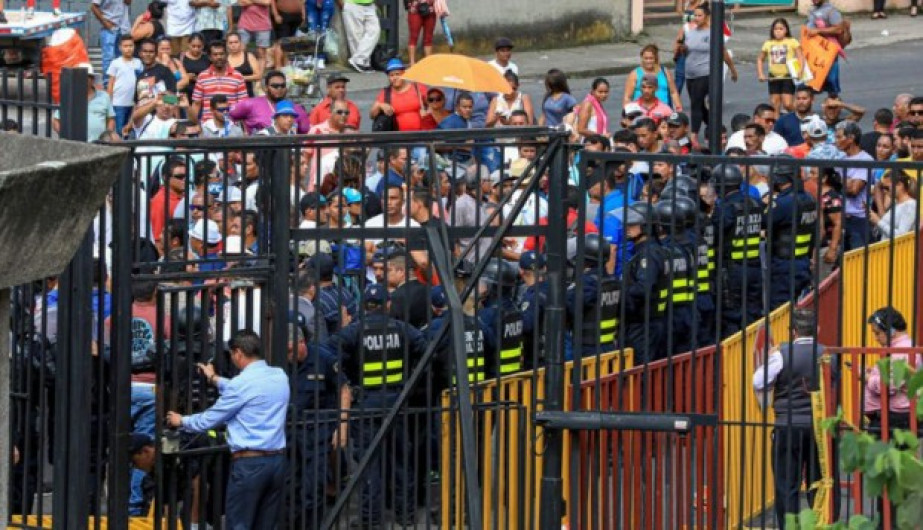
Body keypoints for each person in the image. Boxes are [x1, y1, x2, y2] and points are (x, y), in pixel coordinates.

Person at [320, 283, 427, 528]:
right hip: (397, 403)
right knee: (401, 462)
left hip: (366, 405)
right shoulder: (402, 329)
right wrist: (411, 378)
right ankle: (406, 515)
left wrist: (343, 372)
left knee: (369, 465)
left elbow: (327, 351)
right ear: (387, 304)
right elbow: (425, 347)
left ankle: (371, 520)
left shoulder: (355, 331)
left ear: (364, 307)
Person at [166, 329, 290, 530]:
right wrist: (215, 379)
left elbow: (209, 420)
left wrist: (182, 420)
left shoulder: (241, 385)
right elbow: (247, 390)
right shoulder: (279, 376)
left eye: (232, 355)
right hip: (276, 461)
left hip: (250, 464)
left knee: (239, 525)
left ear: (238, 353)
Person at [752, 308, 823, 529]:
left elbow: (758, 382)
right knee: (818, 483)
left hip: (787, 425)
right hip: (817, 427)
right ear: (817, 330)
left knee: (786, 484)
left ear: (793, 331)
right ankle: (820, 523)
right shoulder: (827, 352)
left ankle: (788, 526)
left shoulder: (781, 354)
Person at [287, 320, 350, 528]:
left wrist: (341, 427)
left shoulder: (323, 358)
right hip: (288, 431)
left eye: (290, 350)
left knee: (312, 487)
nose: (288, 356)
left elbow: (344, 389)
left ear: (301, 342)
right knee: (290, 486)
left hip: (317, 431)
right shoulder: (279, 360)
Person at [712, 163, 764, 337]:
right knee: (752, 314)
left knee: (732, 317)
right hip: (755, 267)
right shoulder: (755, 202)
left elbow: (715, 235)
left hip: (733, 270)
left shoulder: (725, 208)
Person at [679, 4, 738, 142]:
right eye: (695, 15)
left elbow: (723, 52)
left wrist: (733, 70)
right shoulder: (690, 32)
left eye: (700, 15)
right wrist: (682, 49)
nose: (697, 18)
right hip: (690, 73)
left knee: (696, 103)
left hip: (705, 72)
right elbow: (687, 51)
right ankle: (716, 128)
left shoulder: (712, 33)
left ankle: (693, 136)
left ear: (707, 17)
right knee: (700, 106)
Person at [765, 157, 817, 310]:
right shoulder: (808, 199)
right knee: (799, 308)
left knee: (780, 309)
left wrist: (766, 203)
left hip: (784, 266)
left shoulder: (784, 203)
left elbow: (763, 221)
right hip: (803, 262)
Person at [620, 203, 666, 363]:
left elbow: (644, 287)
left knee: (642, 373)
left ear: (646, 226)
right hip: (645, 322)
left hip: (644, 324)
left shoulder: (649, 253)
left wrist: (622, 293)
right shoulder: (646, 250)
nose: (627, 226)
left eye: (632, 223)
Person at [565, 233, 618, 359]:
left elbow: (568, 306)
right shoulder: (612, 281)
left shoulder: (588, 283)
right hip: (610, 346)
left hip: (589, 349)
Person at [229, 70, 311, 133]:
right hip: (259, 151)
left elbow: (307, 132)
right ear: (266, 88)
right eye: (275, 86)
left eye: (282, 86)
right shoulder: (250, 104)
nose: (279, 89)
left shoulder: (297, 109)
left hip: (288, 152)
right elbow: (227, 116)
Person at [835, 121, 874, 250]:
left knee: (859, 262)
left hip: (859, 220)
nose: (836, 141)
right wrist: (846, 180)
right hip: (841, 217)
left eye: (839, 137)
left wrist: (839, 179)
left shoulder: (865, 160)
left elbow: (853, 190)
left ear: (851, 138)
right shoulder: (840, 159)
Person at [52, 63, 115, 142]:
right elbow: (56, 121)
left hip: (99, 144)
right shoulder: (70, 96)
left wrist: (108, 136)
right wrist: (65, 137)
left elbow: (111, 119)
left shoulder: (104, 96)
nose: (82, 79)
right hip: (75, 144)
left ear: (92, 80)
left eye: (86, 77)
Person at [189, 39, 247, 124]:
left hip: (232, 125)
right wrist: (194, 125)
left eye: (221, 54)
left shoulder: (238, 76)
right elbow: (196, 104)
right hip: (208, 126)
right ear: (210, 57)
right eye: (215, 54)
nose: (219, 57)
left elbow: (243, 105)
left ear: (226, 55)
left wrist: (244, 129)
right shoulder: (202, 77)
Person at [757, 18, 804, 113]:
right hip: (773, 77)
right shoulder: (768, 43)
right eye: (776, 29)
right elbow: (760, 59)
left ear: (786, 30)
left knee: (788, 104)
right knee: (775, 104)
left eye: (781, 29)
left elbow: (801, 57)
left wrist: (800, 70)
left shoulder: (792, 41)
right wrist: (761, 74)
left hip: (788, 76)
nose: (778, 31)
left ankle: (800, 115)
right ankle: (777, 125)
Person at [370, 58, 426, 132]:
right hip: (397, 139)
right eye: (391, 75)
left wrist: (427, 112)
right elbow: (372, 115)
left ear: (404, 73)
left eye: (397, 74)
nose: (395, 78)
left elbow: (435, 105)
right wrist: (380, 106)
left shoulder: (418, 88)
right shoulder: (386, 93)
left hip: (421, 136)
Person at [623, 44, 682, 111]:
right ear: (642, 58)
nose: (648, 61)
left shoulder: (665, 72)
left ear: (655, 59)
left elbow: (673, 92)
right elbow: (627, 97)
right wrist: (627, 113)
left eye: (651, 58)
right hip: (641, 113)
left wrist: (679, 108)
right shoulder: (635, 74)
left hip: (663, 112)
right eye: (646, 58)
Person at [805, 0, 845, 97]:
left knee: (832, 81)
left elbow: (839, 29)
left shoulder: (831, 11)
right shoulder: (812, 10)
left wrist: (818, 31)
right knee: (811, 83)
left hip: (828, 51)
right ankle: (807, 109)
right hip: (814, 50)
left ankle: (834, 104)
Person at [107, 36, 142, 134]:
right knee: (120, 130)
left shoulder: (138, 63)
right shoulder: (115, 63)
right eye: (125, 46)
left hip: (134, 104)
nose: (128, 48)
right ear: (120, 48)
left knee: (133, 130)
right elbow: (111, 83)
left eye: (131, 45)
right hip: (118, 103)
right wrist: (109, 102)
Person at [91, 0, 131, 86]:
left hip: (123, 27)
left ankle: (122, 83)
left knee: (123, 56)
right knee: (108, 58)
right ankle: (107, 85)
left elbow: (128, 2)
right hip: (109, 29)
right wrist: (105, 23)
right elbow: (94, 7)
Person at [870, 170, 917, 239]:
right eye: (883, 188)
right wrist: (874, 220)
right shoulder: (896, 203)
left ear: (899, 185)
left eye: (886, 187)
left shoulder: (910, 205)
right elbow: (885, 230)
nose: (884, 191)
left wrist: (878, 221)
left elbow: (901, 236)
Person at [343, 0, 380, 73]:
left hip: (369, 5)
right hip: (352, 4)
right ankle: (363, 63)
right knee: (356, 36)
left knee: (375, 31)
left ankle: (358, 60)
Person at [236, 0, 272, 65]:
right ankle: (241, 70)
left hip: (263, 24)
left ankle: (260, 74)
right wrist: (259, 2)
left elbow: (267, 2)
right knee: (240, 49)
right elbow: (241, 3)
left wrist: (251, 1)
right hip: (245, 23)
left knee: (261, 53)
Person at [226, 31, 261, 97]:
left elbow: (258, 75)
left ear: (240, 43)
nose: (233, 45)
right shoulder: (225, 59)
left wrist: (240, 78)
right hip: (230, 94)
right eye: (230, 43)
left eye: (236, 42)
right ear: (227, 44)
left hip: (248, 93)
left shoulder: (249, 56)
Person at [179, 33, 210, 101]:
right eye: (193, 46)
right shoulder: (181, 57)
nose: (196, 49)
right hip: (185, 94)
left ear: (203, 46)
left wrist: (198, 78)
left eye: (199, 46)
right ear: (188, 44)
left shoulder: (207, 58)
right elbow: (175, 74)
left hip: (203, 94)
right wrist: (186, 76)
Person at [405, 0, 435, 65]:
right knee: (413, 36)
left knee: (428, 38)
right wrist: (409, 5)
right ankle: (412, 63)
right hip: (415, 8)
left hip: (430, 8)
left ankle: (428, 63)